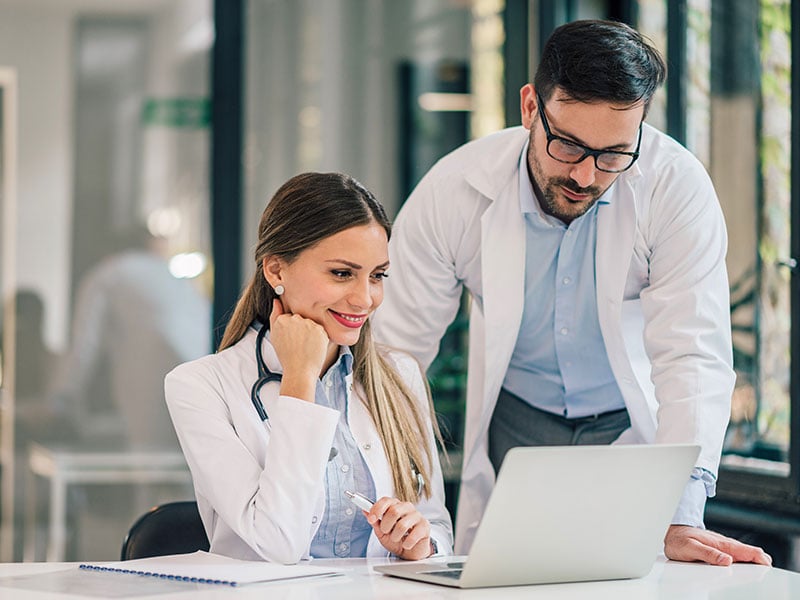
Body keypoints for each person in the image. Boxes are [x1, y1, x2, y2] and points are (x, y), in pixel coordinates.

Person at [372, 19, 771, 567]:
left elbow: (693, 354)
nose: (586, 175)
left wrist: (683, 510)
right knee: (509, 577)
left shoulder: (674, 187)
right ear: (531, 107)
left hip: (627, 426)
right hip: (519, 420)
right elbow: (397, 356)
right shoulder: (454, 192)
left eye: (613, 154)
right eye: (569, 145)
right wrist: (409, 502)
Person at [165, 172, 453, 563]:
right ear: (276, 271)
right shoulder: (199, 387)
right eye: (341, 273)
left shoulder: (400, 376)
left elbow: (436, 524)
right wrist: (300, 379)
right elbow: (277, 543)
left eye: (378, 276)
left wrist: (420, 542)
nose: (364, 298)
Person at [51, 224, 211, 450]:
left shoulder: (107, 274)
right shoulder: (170, 274)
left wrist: (61, 396)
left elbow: (85, 343)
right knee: (191, 460)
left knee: (149, 458)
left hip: (148, 376)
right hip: (202, 368)